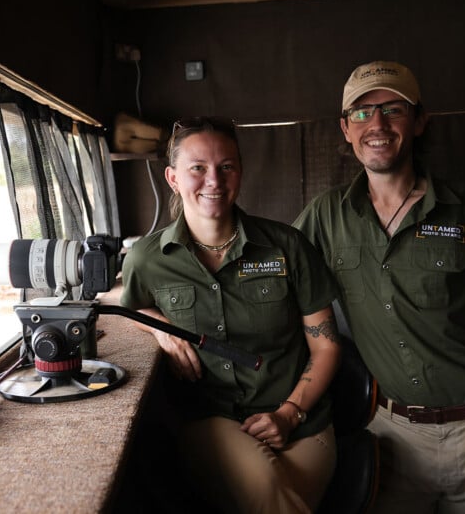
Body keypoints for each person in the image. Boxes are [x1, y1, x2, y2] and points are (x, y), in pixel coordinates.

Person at [293, 61, 465, 514]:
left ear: (420, 121)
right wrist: (160, 316)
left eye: (394, 109)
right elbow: (266, 278)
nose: (378, 124)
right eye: (362, 113)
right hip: (391, 438)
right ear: (346, 129)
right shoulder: (325, 216)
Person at [120, 116, 342, 513]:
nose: (214, 181)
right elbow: (127, 307)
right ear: (172, 178)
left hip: (303, 425)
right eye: (197, 168)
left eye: (226, 167)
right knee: (265, 484)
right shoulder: (146, 258)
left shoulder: (287, 246)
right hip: (211, 423)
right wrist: (162, 330)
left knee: (272, 493)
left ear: (240, 172)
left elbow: (326, 347)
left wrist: (288, 415)